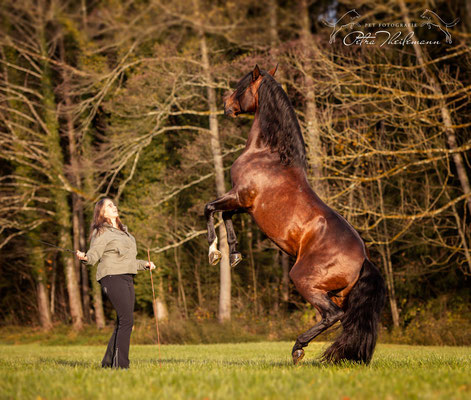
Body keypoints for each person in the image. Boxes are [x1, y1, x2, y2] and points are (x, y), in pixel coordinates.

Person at [76, 198, 155, 369]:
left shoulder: (124, 233)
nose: (114, 207)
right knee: (127, 321)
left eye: (114, 204)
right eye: (109, 206)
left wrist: (144, 264)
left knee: (122, 322)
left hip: (127, 276)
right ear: (102, 213)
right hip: (112, 277)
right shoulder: (102, 232)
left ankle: (108, 363)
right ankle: (121, 366)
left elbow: (128, 261)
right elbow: (93, 255)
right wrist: (85, 258)